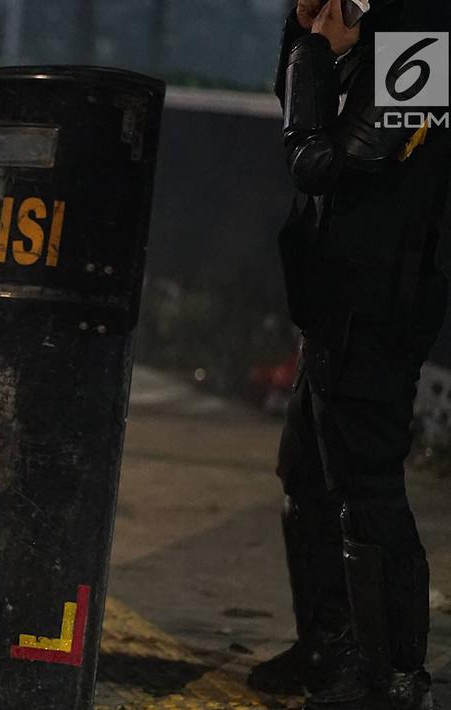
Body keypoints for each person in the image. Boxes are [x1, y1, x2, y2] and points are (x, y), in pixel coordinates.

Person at [250, 0, 451, 708]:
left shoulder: (425, 25)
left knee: (365, 486)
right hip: (330, 292)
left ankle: (390, 678)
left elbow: (324, 161)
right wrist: (311, 42)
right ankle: (328, 646)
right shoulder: (338, 18)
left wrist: (315, 55)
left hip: (380, 297)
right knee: (305, 473)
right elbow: (292, 103)